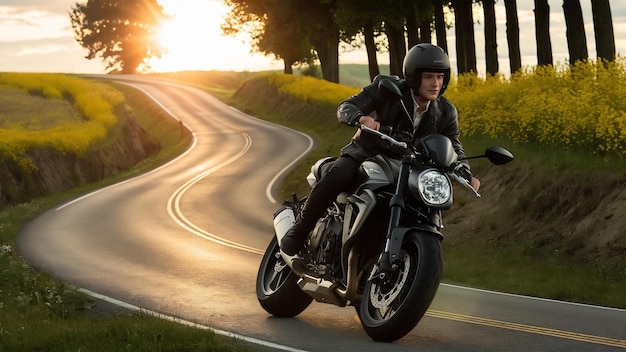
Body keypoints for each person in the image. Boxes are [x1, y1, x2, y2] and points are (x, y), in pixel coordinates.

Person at [280, 43, 480, 256]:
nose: (435, 84)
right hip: (367, 154)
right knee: (340, 173)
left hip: (408, 167)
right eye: (429, 77)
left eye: (440, 77)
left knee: (422, 203)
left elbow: (453, 144)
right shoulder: (387, 89)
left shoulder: (446, 111)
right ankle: (300, 230)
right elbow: (347, 106)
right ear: (413, 77)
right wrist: (360, 118)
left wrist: (466, 172)